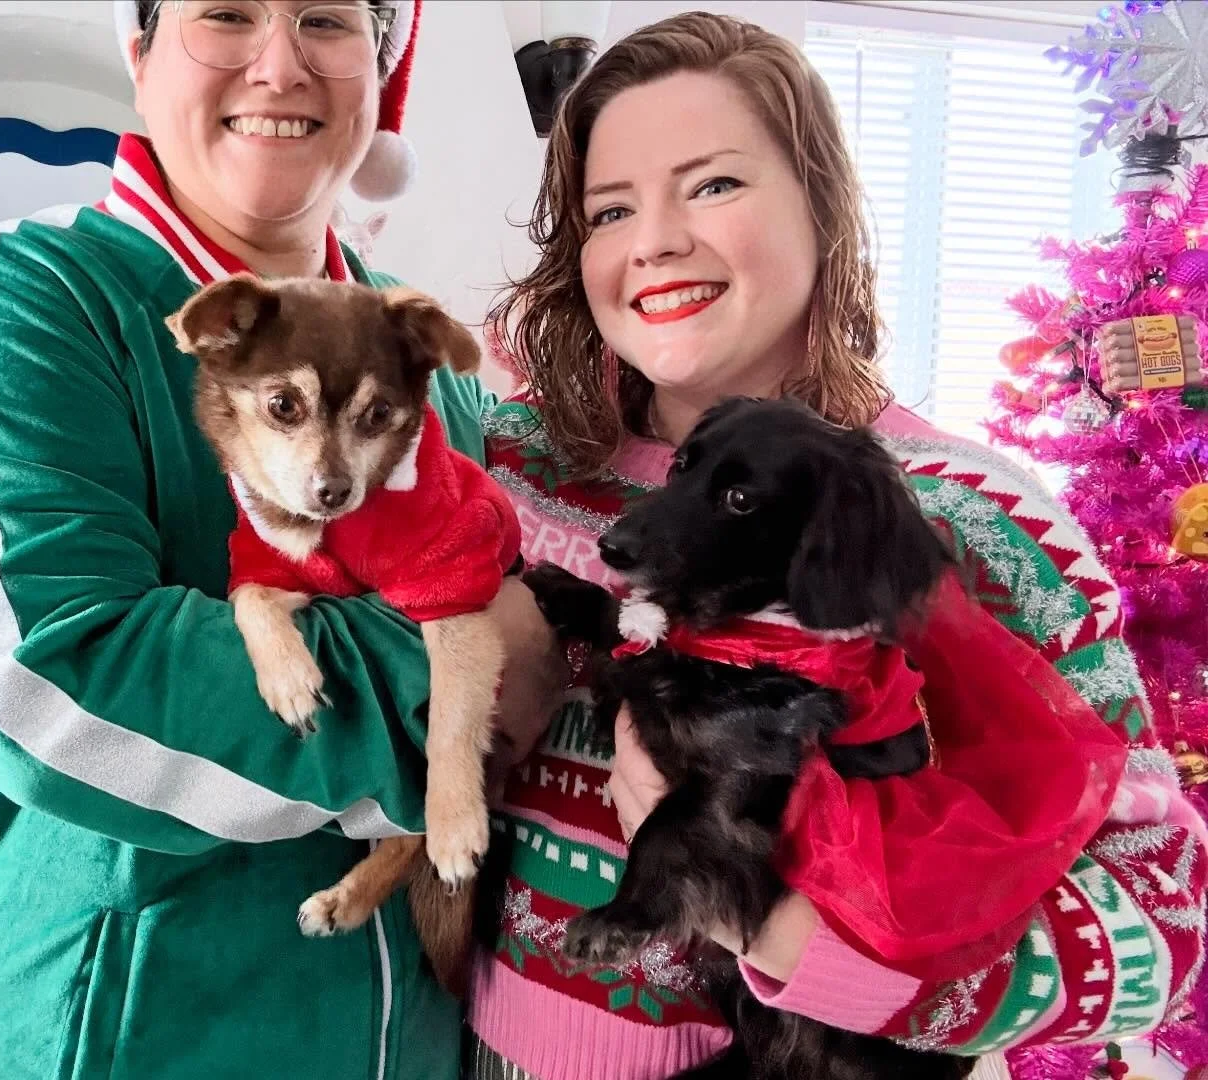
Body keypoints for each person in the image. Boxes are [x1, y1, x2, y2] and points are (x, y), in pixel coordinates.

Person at [464, 13, 1208, 1079]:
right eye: (609, 208)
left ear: (821, 205)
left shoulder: (973, 519)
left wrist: (792, 940)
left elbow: (1166, 923)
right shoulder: (506, 465)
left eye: (714, 184)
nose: (655, 239)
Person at [0, 3, 563, 1077]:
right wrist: (469, 691)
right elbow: (49, 669)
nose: (278, 66)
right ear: (140, 58)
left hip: (392, 1038)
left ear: (381, 76)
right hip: (96, 1027)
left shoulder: (417, 356)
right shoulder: (39, 291)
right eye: (228, 13)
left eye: (326, 21)